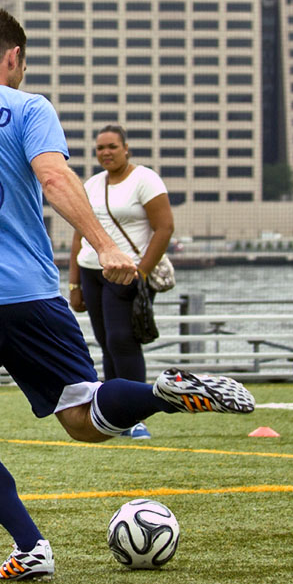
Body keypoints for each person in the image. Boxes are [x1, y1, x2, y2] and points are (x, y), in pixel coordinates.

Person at [0, 6, 255, 581]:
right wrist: (107, 245)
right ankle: (162, 393)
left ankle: (31, 547)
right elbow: (56, 178)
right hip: (33, 296)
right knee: (84, 418)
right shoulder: (30, 107)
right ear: (13, 57)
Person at [68, 124, 175, 440]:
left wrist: (141, 271)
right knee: (105, 342)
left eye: (112, 147)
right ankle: (114, 413)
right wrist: (73, 284)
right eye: (100, 148)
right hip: (92, 270)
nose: (106, 153)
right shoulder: (92, 184)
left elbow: (164, 228)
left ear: (126, 148)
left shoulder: (145, 179)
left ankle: (135, 414)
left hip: (127, 272)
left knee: (122, 340)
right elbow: (79, 234)